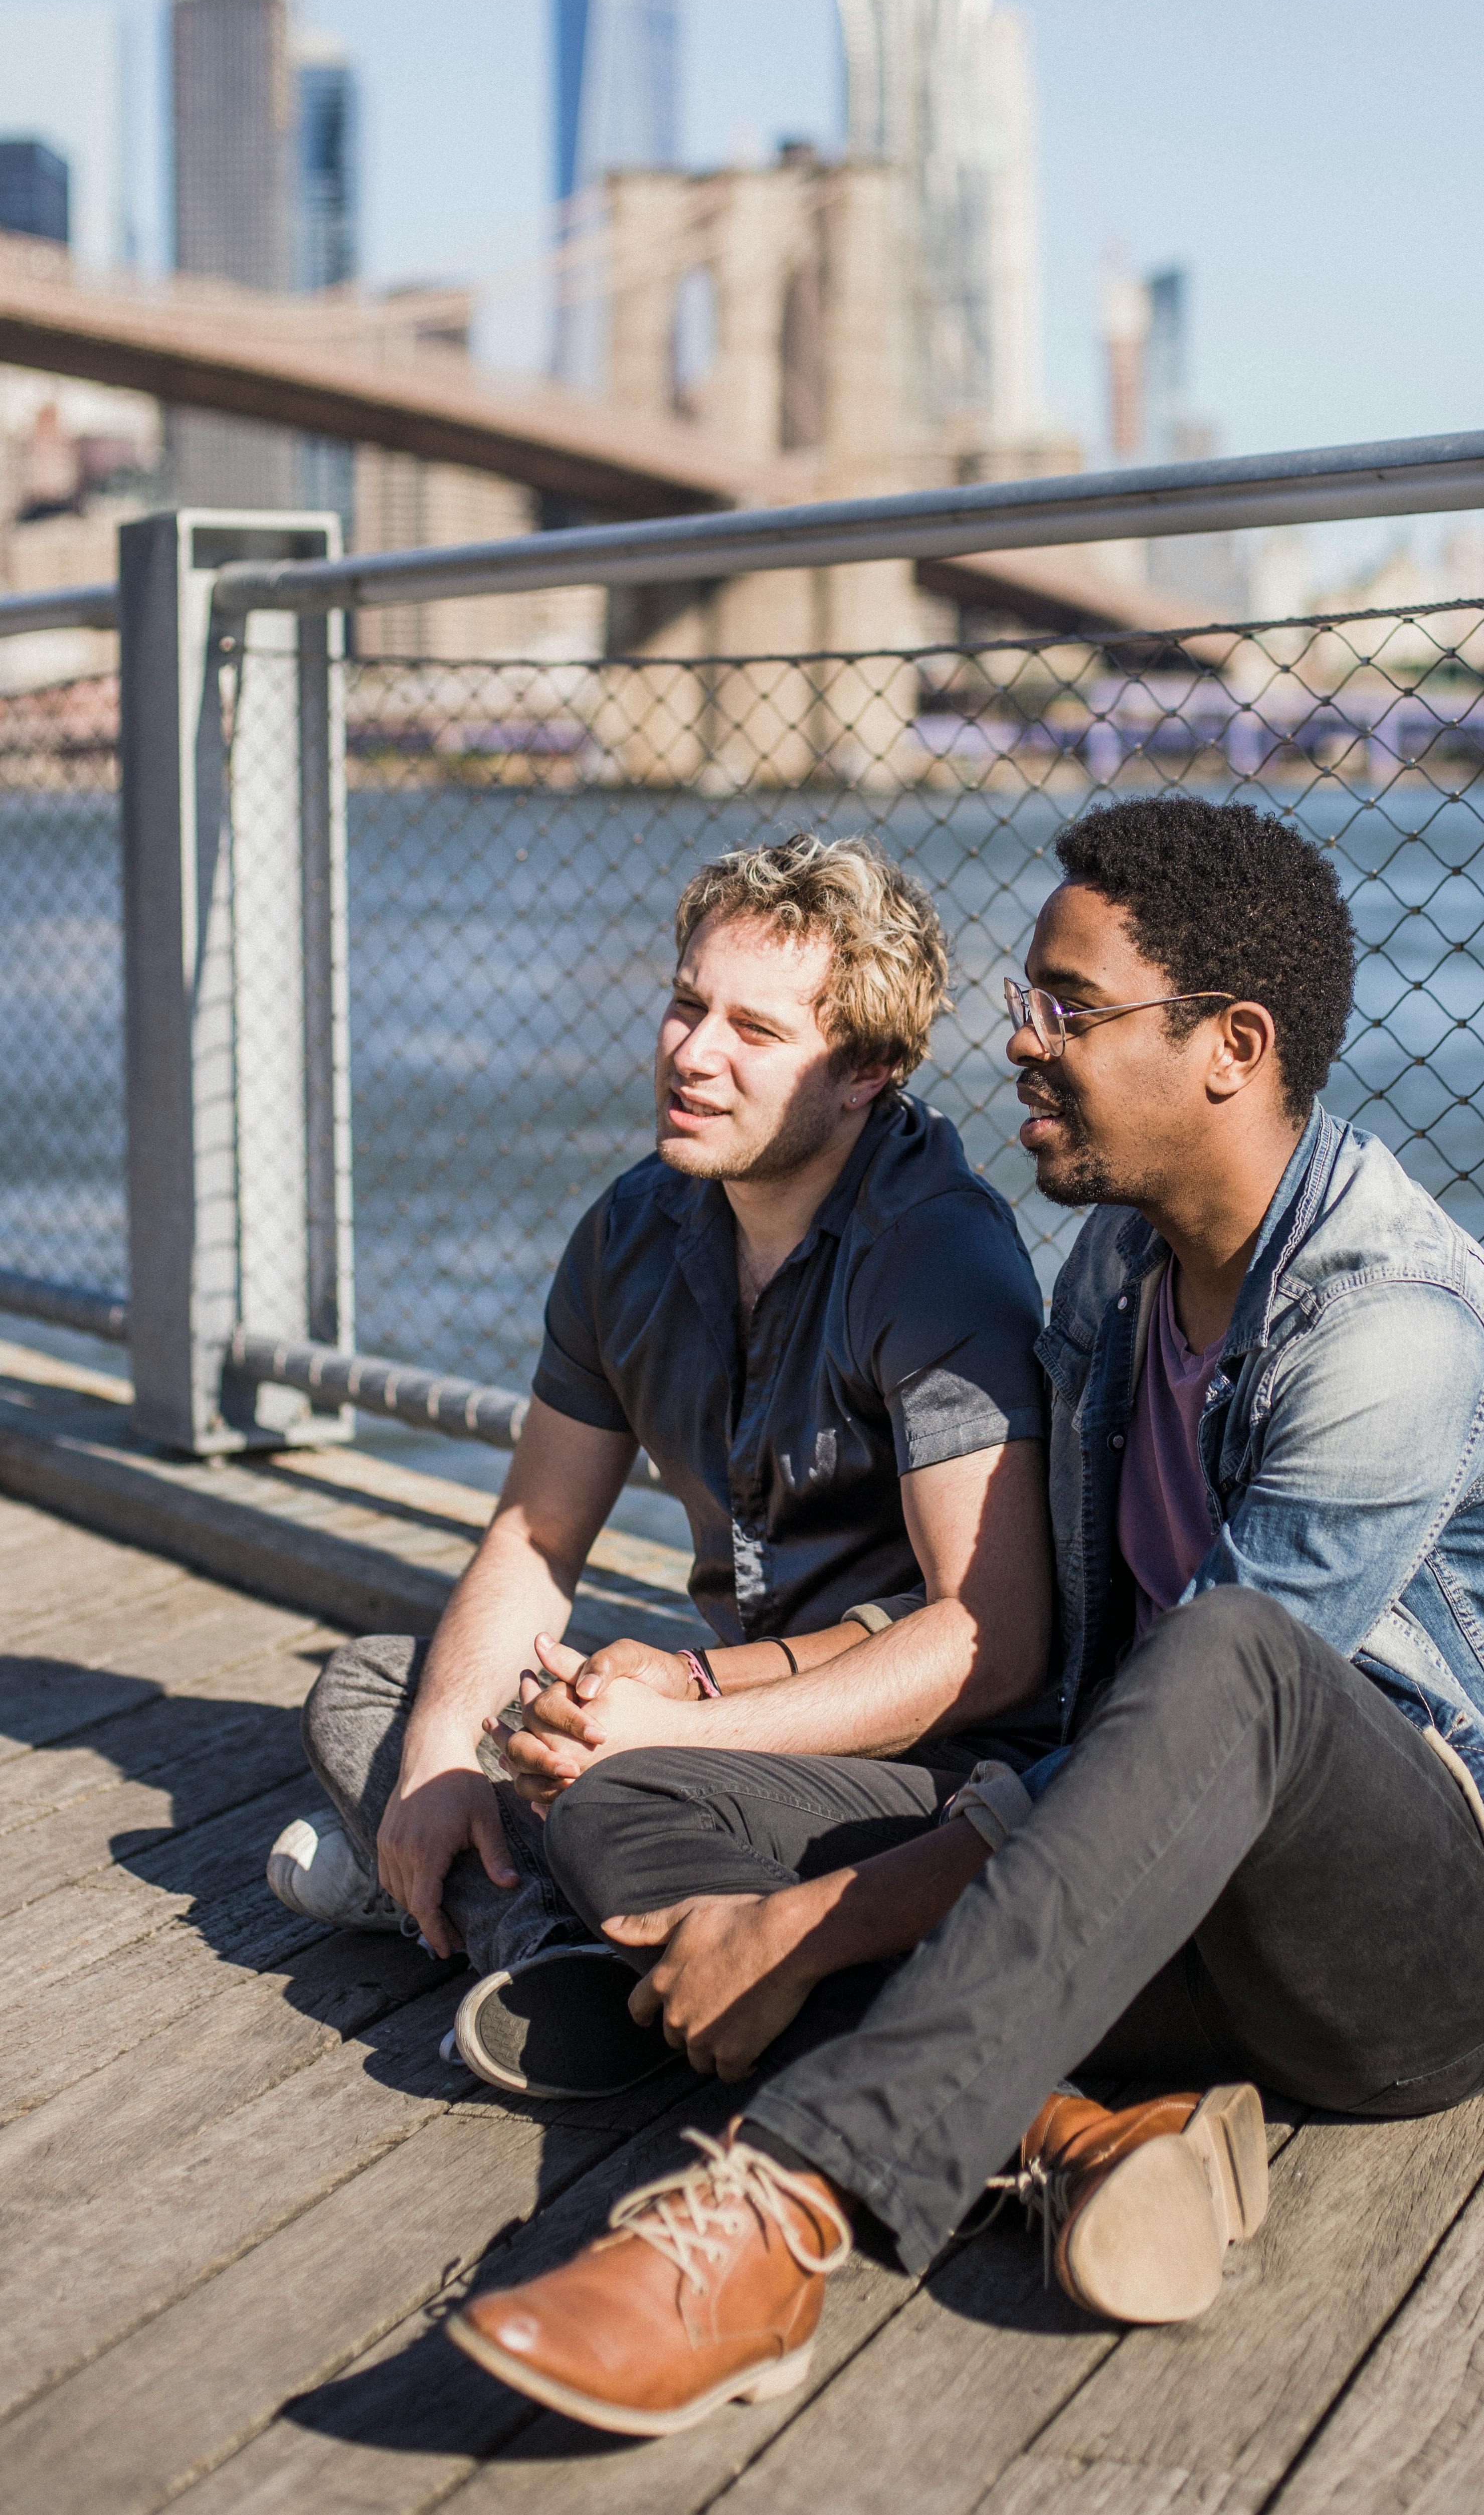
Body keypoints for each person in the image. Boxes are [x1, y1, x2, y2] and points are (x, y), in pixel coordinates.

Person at [446, 795, 1484, 2437]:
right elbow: (1058, 1707)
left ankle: (781, 2209)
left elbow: (1210, 1694)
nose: (1016, 1041)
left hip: (1413, 1953)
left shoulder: (1394, 1330)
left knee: (1237, 1651)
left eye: (1064, 1007)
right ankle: (1080, 2125)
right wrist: (697, 1730)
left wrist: (809, 1922)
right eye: (1027, 997)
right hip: (1133, 1889)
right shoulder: (1114, 1279)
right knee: (629, 1779)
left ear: (1230, 1045)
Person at [268, 832, 1055, 2094]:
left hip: (919, 1759)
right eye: (689, 1003)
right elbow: (534, 1535)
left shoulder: (938, 1258)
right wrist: (440, 1767)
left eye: (754, 1029)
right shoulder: (633, 1229)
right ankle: (554, 1947)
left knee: (589, 1797)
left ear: (869, 1071)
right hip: (710, 1717)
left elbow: (994, 1643)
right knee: (379, 1690)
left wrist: (666, 1726)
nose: (692, 1053)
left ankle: (526, 1924)